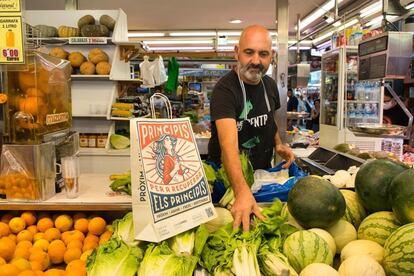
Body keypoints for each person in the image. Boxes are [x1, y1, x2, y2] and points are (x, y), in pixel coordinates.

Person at [208, 25, 295, 231]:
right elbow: (228, 146)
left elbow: (268, 118)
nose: (256, 61)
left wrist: (278, 144)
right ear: (237, 52)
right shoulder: (225, 90)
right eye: (249, 52)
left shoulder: (270, 86)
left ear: (271, 56)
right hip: (228, 180)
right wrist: (241, 191)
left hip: (259, 174)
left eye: (263, 54)